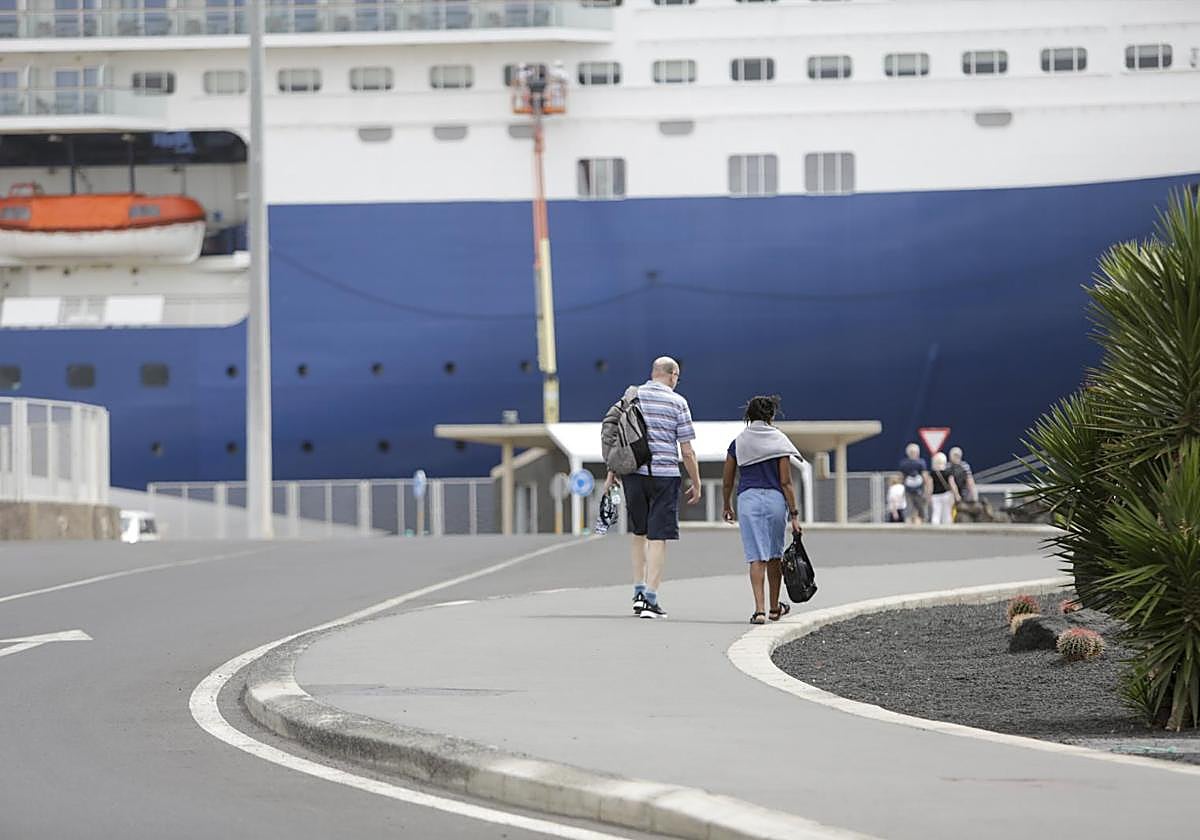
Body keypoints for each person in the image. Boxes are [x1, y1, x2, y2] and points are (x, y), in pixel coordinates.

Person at [604, 357, 701, 619]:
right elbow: (687, 450)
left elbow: (620, 438)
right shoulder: (677, 402)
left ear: (652, 373)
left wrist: (611, 473)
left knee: (639, 532)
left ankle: (637, 591)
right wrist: (696, 481)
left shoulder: (633, 397)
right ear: (673, 375)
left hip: (633, 475)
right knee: (658, 537)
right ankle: (650, 597)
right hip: (664, 475)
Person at [722, 396, 803, 624]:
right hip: (775, 500)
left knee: (756, 556)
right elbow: (786, 482)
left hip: (748, 500)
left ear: (749, 415)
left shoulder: (738, 442)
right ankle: (775, 608)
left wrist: (726, 504)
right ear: (771, 415)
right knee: (774, 556)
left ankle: (759, 611)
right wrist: (794, 515)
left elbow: (727, 479)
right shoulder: (779, 440)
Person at [897, 443, 928, 523]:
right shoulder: (905, 463)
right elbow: (901, 477)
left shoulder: (920, 463)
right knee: (909, 508)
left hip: (919, 490)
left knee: (920, 508)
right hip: (909, 489)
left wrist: (926, 489)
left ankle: (920, 523)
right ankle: (909, 524)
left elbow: (924, 476)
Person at [926, 451, 960, 525]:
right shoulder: (948, 472)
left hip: (935, 496)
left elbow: (930, 486)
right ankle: (948, 530)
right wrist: (956, 495)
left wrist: (928, 496)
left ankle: (935, 529)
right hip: (946, 495)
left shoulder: (932, 474)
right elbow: (952, 485)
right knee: (947, 513)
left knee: (936, 513)